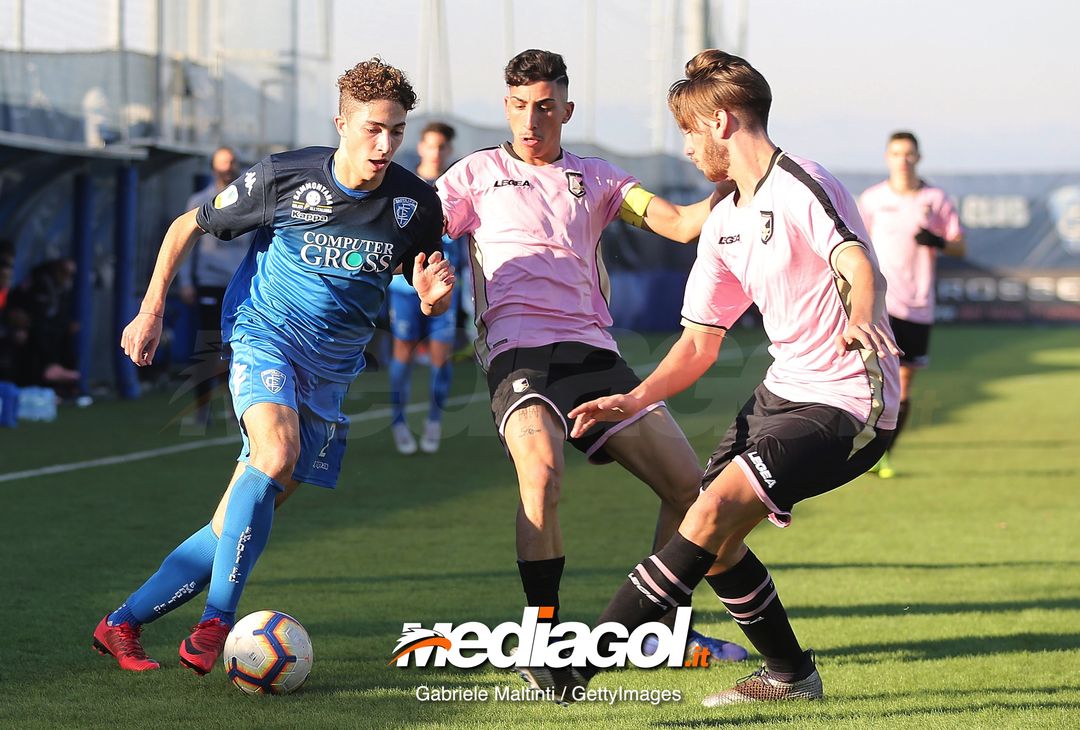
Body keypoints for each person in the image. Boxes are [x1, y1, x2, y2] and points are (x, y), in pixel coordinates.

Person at [521, 49, 901, 706]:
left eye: (690, 133)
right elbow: (699, 343)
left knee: (716, 508)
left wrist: (862, 312)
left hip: (851, 398)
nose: (689, 151)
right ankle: (790, 674)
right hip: (786, 391)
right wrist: (634, 398)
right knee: (712, 533)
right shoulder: (724, 221)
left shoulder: (803, 183)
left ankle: (579, 664)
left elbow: (856, 259)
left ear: (722, 122)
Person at [93, 58, 454, 674]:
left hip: (332, 371)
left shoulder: (417, 203)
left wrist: (430, 296)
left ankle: (121, 624)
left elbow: (421, 279)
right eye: (372, 128)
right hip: (266, 337)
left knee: (243, 513)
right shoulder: (285, 177)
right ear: (341, 122)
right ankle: (216, 625)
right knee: (275, 454)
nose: (385, 144)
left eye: (395, 130)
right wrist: (150, 310)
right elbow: (187, 225)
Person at [437, 49, 746, 660]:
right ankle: (541, 639)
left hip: (594, 356)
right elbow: (420, 235)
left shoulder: (598, 179)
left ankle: (663, 627)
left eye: (546, 108)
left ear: (567, 110)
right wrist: (422, 277)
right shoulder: (472, 175)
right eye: (521, 107)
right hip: (518, 354)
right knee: (542, 476)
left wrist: (741, 170)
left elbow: (682, 224)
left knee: (693, 489)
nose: (531, 122)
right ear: (507, 106)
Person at [858, 131, 965, 478]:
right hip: (878, 302)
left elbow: (959, 247)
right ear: (887, 157)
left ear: (918, 158)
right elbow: (853, 246)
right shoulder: (873, 199)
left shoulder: (935, 199)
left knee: (903, 384)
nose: (903, 160)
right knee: (865, 378)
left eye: (909, 154)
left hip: (917, 304)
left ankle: (883, 454)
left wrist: (936, 240)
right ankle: (854, 447)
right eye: (896, 153)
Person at [387, 122, 465, 454]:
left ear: (449, 151)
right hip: (404, 290)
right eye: (430, 145)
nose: (435, 152)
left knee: (439, 357)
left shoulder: (458, 187)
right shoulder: (403, 184)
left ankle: (433, 420)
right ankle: (399, 423)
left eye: (442, 147)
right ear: (420, 147)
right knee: (402, 353)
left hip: (444, 288)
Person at [177, 146, 258, 427]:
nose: (228, 168)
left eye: (232, 163)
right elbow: (186, 244)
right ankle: (203, 408)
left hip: (242, 285)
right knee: (209, 346)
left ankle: (243, 408)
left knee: (242, 347)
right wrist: (186, 281)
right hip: (210, 283)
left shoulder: (253, 200)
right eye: (222, 164)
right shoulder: (200, 200)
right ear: (213, 168)